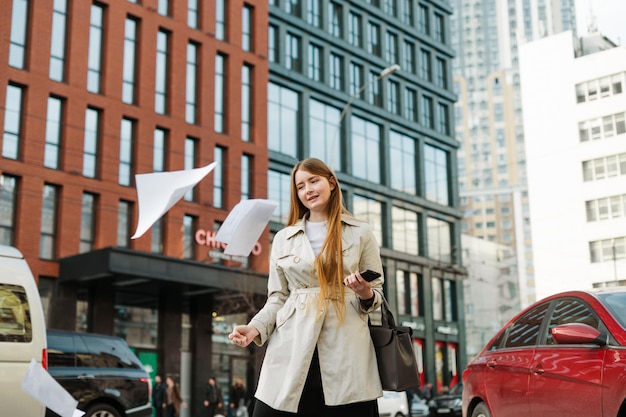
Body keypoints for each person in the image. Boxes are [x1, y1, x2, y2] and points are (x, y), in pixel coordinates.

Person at [228, 158, 385, 417]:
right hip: (292, 343)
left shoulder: (360, 232)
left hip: (346, 347)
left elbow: (377, 292)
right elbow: (278, 297)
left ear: (331, 183)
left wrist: (364, 292)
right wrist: (254, 327)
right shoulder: (283, 238)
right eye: (300, 186)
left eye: (314, 181)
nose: (308, 190)